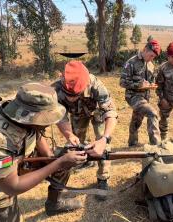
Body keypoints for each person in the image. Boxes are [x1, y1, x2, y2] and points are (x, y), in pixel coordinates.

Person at [0, 83, 88, 222]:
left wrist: (50, 158)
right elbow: (13, 187)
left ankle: (55, 203)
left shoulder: (21, 107)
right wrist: (58, 163)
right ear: (31, 116)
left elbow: (36, 130)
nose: (49, 123)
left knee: (61, 160)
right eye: (46, 119)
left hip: (12, 161)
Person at [51, 60, 118, 201]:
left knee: (102, 144)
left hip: (98, 112)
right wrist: (69, 134)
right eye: (68, 94)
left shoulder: (95, 85)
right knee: (77, 142)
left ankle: (103, 178)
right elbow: (60, 117)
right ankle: (87, 160)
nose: (70, 98)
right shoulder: (55, 89)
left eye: (75, 95)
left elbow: (111, 111)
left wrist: (105, 138)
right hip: (77, 115)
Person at [120, 38, 162, 146]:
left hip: (145, 97)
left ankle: (132, 142)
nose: (152, 58)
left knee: (137, 118)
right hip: (133, 96)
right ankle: (156, 146)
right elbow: (122, 82)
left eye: (154, 57)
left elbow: (150, 81)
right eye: (151, 55)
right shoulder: (131, 62)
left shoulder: (151, 65)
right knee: (153, 114)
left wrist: (152, 85)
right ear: (145, 49)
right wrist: (139, 85)